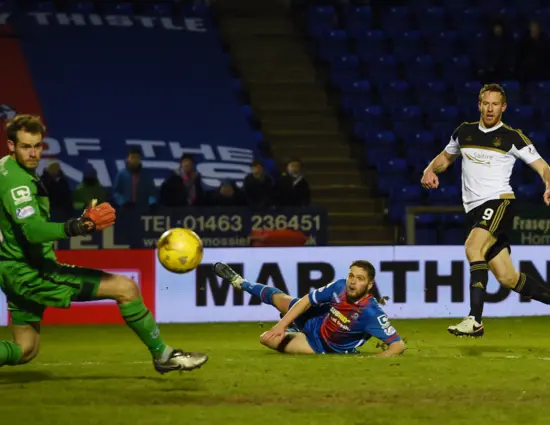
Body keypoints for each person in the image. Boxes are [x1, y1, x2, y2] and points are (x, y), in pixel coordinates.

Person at [0, 115, 207, 373]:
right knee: (126, 288)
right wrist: (78, 226)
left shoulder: (8, 169)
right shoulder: (17, 181)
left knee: (25, 349)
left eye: (37, 146)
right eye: (25, 146)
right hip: (31, 272)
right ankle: (164, 355)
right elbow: (31, 230)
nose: (33, 153)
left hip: (13, 269)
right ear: (11, 145)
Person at [420, 83, 550, 337]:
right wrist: (429, 170)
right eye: (486, 103)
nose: (490, 109)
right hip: (475, 210)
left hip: (499, 202)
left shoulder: (513, 137)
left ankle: (474, 319)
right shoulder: (464, 132)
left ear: (504, 107)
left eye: (495, 104)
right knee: (507, 277)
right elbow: (446, 158)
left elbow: (544, 168)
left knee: (472, 247)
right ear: (479, 105)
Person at [213, 261, 406, 356]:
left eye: (360, 279)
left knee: (265, 339)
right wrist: (281, 325)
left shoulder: (371, 313)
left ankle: (294, 330)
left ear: (370, 285)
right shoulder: (339, 286)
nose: (353, 282)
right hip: (317, 319)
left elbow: (398, 345)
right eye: (351, 276)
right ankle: (240, 282)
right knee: (281, 300)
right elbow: (306, 301)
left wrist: (376, 360)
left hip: (320, 346)